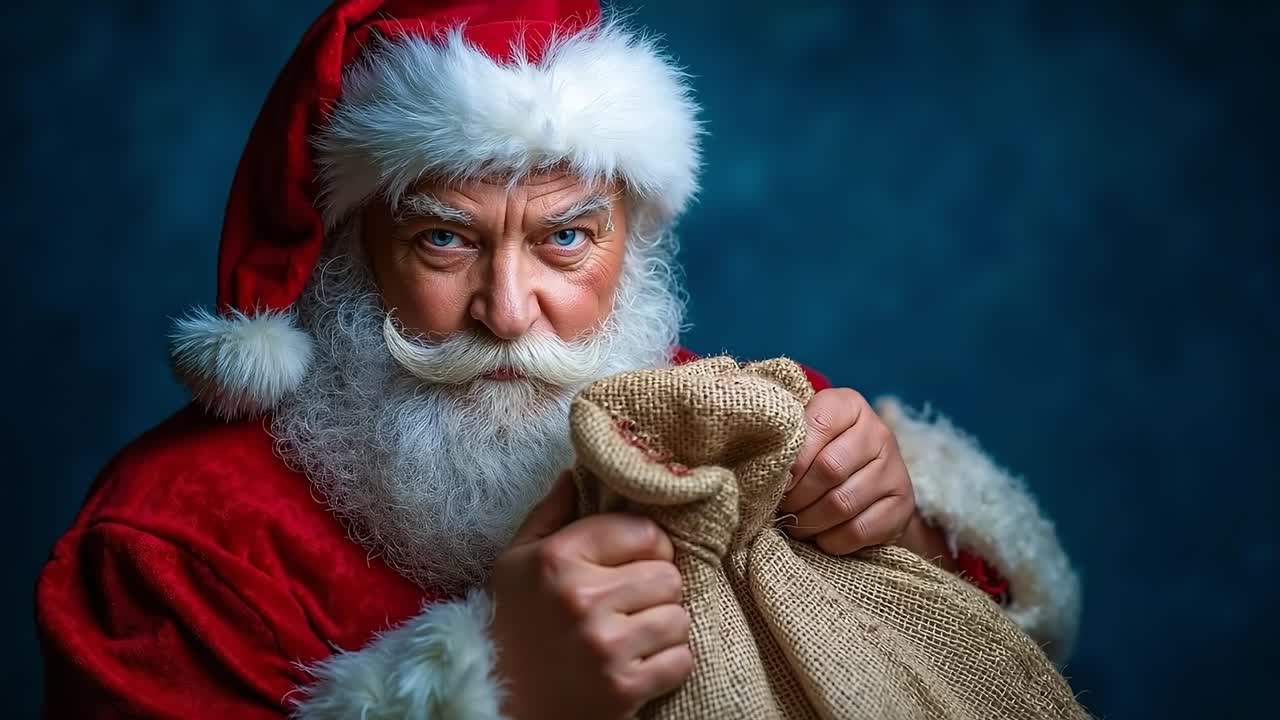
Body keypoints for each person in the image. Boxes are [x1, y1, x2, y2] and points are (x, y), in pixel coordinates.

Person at [34, 1, 1081, 718]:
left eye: (564, 238)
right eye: (442, 238)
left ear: (632, 238)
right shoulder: (170, 546)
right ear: (348, 249)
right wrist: (500, 688)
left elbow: (979, 673)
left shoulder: (743, 427)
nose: (505, 308)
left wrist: (897, 533)